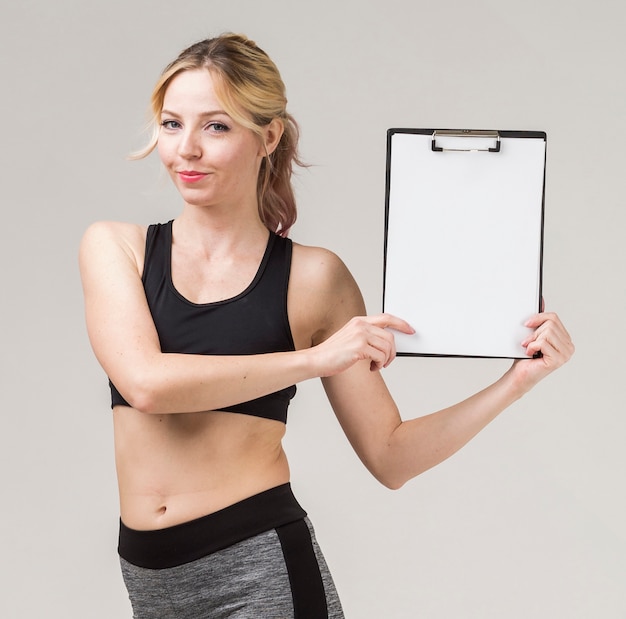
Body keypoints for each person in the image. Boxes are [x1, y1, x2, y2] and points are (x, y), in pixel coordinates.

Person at [79, 33, 574, 619]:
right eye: (170, 124)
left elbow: (390, 456)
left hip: (260, 570)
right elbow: (146, 384)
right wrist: (314, 360)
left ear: (268, 136)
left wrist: (515, 382)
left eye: (216, 126)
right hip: (151, 583)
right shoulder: (118, 249)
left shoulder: (314, 279)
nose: (186, 149)